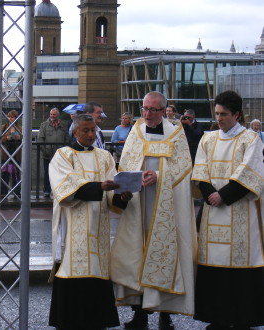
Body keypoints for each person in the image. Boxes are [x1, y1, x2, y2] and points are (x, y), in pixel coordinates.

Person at [110, 91, 196, 330]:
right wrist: (133, 177)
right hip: (139, 205)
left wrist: (158, 175)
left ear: (163, 110)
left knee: (164, 255)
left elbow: (183, 166)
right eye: (144, 109)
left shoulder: (176, 132)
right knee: (137, 256)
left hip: (166, 205)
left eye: (153, 110)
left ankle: (165, 314)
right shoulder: (135, 132)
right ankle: (139, 315)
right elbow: (126, 162)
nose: (147, 114)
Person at [48, 114, 132, 330]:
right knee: (74, 268)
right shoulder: (63, 156)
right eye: (85, 130)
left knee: (97, 268)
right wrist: (99, 187)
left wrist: (121, 195)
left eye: (93, 130)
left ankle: (97, 321)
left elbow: (113, 185)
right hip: (72, 222)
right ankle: (70, 322)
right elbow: (64, 187)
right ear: (74, 132)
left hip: (98, 224)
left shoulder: (104, 156)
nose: (90, 134)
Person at [191, 91, 264, 329]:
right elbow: (200, 168)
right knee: (213, 264)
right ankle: (217, 317)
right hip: (213, 211)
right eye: (217, 113)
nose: (219, 118)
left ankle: (242, 318)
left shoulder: (250, 139)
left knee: (239, 264)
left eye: (224, 114)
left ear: (237, 115)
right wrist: (210, 193)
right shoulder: (208, 139)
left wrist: (224, 194)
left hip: (239, 210)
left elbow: (251, 171)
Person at [37, 108, 69, 198]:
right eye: (51, 114)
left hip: (60, 154)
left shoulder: (63, 125)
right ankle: (47, 191)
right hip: (48, 155)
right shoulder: (44, 125)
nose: (52, 116)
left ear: (58, 115)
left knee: (60, 173)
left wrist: (64, 150)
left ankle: (59, 190)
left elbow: (67, 138)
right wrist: (45, 150)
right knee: (47, 173)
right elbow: (40, 139)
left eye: (54, 114)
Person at [1, 110, 22, 199]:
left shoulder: (19, 128)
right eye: (9, 117)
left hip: (16, 152)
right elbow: (1, 138)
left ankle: (16, 192)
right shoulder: (3, 127)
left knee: (16, 173)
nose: (10, 118)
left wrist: (13, 132)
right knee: (4, 173)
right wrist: (7, 137)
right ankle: (3, 192)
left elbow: (19, 137)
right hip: (5, 153)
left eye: (12, 117)